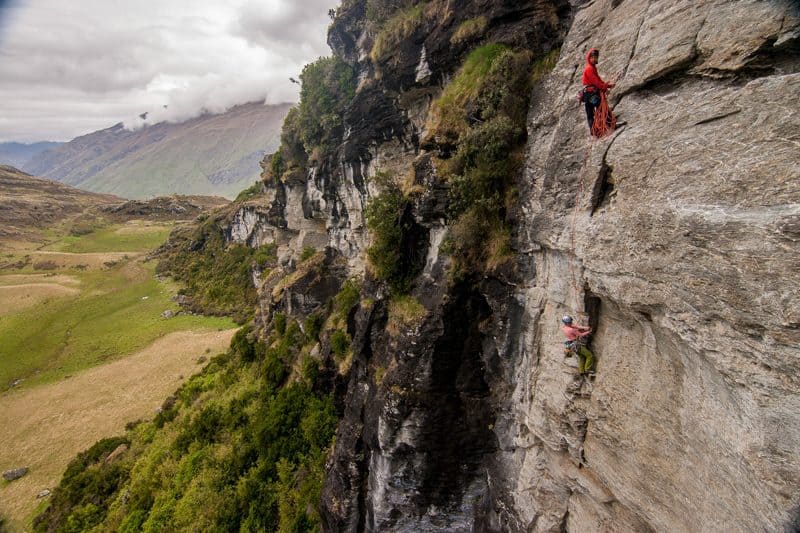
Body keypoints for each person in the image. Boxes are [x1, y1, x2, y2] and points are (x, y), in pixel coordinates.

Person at [582, 48, 615, 135]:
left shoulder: (592, 68)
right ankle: (610, 125)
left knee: (590, 113)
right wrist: (604, 88)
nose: (594, 59)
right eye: (592, 57)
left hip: (588, 94)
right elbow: (596, 82)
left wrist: (608, 85)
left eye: (595, 57)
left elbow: (598, 80)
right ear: (589, 58)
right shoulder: (589, 69)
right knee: (602, 107)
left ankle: (594, 132)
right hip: (591, 94)